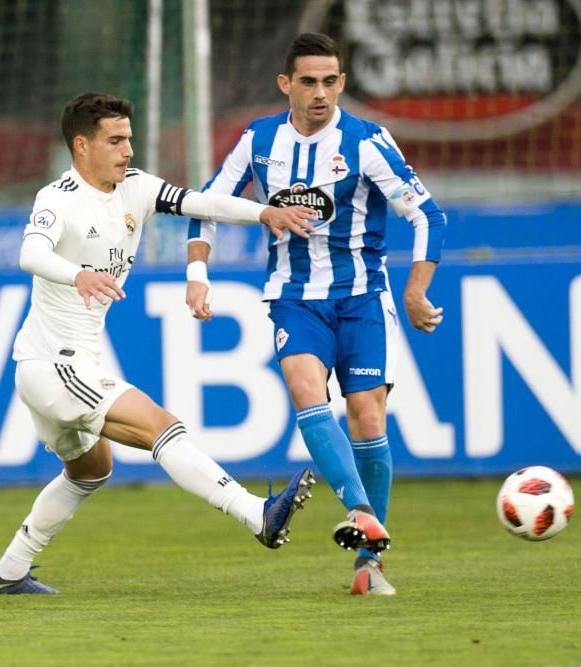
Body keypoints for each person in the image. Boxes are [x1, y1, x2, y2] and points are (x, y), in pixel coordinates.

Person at [0, 92, 320, 595]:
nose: (128, 151)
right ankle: (257, 514)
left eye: (129, 140)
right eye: (115, 141)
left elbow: (197, 202)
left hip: (56, 368)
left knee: (90, 471)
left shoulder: (134, 188)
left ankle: (8, 572)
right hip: (55, 366)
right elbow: (30, 253)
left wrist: (263, 213)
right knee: (162, 425)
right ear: (81, 146)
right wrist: (79, 275)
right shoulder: (59, 198)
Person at [184, 33, 446, 596]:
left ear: (342, 83)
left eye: (330, 81)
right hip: (294, 296)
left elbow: (427, 216)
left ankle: (368, 565)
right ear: (286, 85)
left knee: (368, 420)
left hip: (362, 298)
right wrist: (198, 275)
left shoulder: (367, 142)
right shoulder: (259, 139)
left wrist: (415, 291)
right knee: (307, 388)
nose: (320, 92)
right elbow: (206, 204)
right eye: (308, 81)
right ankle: (361, 512)